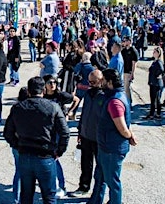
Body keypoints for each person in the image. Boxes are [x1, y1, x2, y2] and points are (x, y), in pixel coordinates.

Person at [4, 76, 70, 204]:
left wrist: (17, 145)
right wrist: (59, 151)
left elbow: (8, 132)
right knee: (49, 196)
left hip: (25, 155)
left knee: (26, 195)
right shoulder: (53, 107)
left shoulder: (18, 108)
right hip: (45, 156)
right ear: (44, 90)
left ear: (29, 91)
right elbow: (65, 133)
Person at [88, 68, 137, 204]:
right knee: (100, 176)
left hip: (112, 148)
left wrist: (128, 136)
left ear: (109, 82)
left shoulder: (114, 102)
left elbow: (122, 126)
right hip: (106, 146)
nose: (101, 82)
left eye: (103, 80)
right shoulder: (116, 95)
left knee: (112, 181)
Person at [42, 74, 79, 198]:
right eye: (49, 83)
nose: (52, 85)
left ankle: (61, 186)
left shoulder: (60, 95)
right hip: (46, 130)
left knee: (54, 157)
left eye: (54, 82)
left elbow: (76, 99)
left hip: (58, 130)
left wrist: (69, 112)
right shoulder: (43, 96)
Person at [70, 70, 104, 197]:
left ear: (101, 81)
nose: (90, 84)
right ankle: (83, 187)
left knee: (100, 167)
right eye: (89, 82)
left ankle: (98, 191)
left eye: (93, 82)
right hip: (85, 135)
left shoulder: (104, 96)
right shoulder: (88, 94)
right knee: (85, 164)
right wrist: (79, 130)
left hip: (98, 137)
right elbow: (84, 113)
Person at [146, 46, 164, 120]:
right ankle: (154, 113)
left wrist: (157, 75)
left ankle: (156, 113)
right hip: (152, 83)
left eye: (155, 52)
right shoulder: (154, 61)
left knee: (156, 99)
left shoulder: (159, 62)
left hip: (156, 83)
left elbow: (161, 69)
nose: (153, 53)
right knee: (153, 99)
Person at [120, 36, 139, 106]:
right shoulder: (124, 51)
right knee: (124, 88)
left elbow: (134, 63)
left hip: (129, 71)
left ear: (129, 41)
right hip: (124, 71)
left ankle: (128, 102)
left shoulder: (133, 50)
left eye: (125, 41)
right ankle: (126, 100)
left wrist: (132, 73)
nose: (124, 42)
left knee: (126, 88)